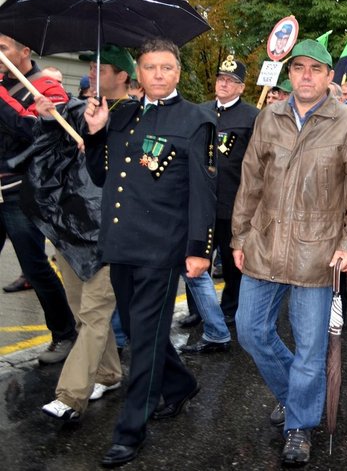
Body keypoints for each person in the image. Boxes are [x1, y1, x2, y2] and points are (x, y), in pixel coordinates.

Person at [232, 39, 347, 467]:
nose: (307, 75)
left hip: (319, 253)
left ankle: (300, 425)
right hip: (265, 241)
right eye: (299, 69)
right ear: (289, 74)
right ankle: (296, 394)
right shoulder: (268, 117)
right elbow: (250, 180)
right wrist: (239, 236)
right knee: (250, 330)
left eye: (316, 69)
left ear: (331, 76)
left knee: (311, 349)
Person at [83, 37, 216, 468]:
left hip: (162, 250)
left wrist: (199, 250)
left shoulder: (195, 119)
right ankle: (178, 385)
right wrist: (97, 131)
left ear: (178, 73)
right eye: (149, 67)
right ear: (137, 73)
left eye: (166, 68)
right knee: (146, 334)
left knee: (143, 343)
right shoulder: (120, 115)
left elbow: (203, 192)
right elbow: (102, 176)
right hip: (121, 246)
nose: (158, 75)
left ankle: (130, 430)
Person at [28, 45, 135, 422]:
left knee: (93, 314)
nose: (93, 71)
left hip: (110, 233)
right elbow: (42, 159)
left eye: (101, 67)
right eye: (90, 65)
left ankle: (70, 396)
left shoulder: (135, 117)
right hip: (71, 228)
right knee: (82, 312)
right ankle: (107, 372)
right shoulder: (76, 110)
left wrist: (98, 142)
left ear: (122, 75)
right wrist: (46, 121)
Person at [0, 33, 78, 363]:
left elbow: (34, 133)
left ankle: (64, 333)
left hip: (22, 190)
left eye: (2, 49)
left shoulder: (47, 87)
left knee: (34, 267)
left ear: (24, 52)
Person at [181, 55, 260, 354]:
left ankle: (229, 308)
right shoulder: (199, 112)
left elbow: (254, 165)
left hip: (231, 202)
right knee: (195, 257)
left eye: (230, 80)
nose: (223, 84)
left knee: (230, 263)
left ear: (240, 87)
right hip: (201, 202)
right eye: (220, 79)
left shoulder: (252, 117)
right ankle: (196, 309)